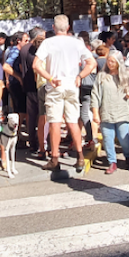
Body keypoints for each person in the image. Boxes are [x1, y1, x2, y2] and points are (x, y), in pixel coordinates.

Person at [33, 15, 96, 178]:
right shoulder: (77, 43)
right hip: (72, 85)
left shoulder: (48, 43)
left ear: (53, 27)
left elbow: (36, 65)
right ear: (68, 27)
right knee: (73, 121)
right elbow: (92, 63)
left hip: (55, 85)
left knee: (55, 122)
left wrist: (50, 78)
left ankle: (55, 158)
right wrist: (80, 76)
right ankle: (80, 156)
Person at [91, 52, 129, 174]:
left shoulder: (125, 75)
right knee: (107, 138)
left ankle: (128, 156)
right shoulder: (101, 76)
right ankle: (112, 162)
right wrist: (95, 113)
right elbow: (95, 95)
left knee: (123, 138)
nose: (110, 64)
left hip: (122, 111)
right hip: (106, 111)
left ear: (118, 62)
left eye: (113, 61)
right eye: (108, 61)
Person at [20, 27, 46, 154]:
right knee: (42, 116)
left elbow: (21, 66)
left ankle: (32, 142)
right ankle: (42, 143)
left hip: (27, 86)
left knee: (31, 116)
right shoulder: (36, 50)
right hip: (38, 85)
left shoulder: (23, 49)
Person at [3, 32, 30, 138]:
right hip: (17, 84)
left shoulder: (14, 50)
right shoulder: (15, 52)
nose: (28, 43)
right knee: (21, 110)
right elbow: (6, 66)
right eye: (26, 40)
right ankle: (16, 135)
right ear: (19, 41)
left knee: (20, 110)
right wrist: (18, 77)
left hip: (14, 83)